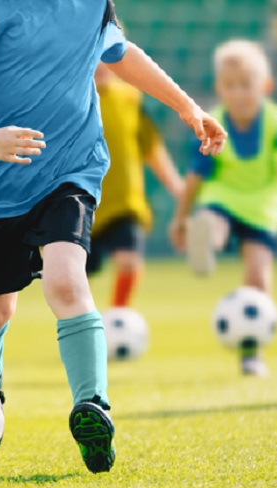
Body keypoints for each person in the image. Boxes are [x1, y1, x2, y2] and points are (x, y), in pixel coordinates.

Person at [0, 0, 227, 473]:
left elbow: (121, 53)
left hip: (71, 172)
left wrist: (188, 108)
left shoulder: (93, 6)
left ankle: (93, 407)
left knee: (66, 281)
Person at [169, 40, 277, 377]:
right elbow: (194, 178)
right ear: (220, 89)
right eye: (230, 86)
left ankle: (252, 352)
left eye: (245, 85)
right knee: (213, 222)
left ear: (265, 86)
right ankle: (206, 242)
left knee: (258, 278)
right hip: (223, 198)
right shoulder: (213, 123)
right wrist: (182, 219)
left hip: (263, 208)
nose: (238, 94)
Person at [88, 64, 184, 308]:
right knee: (77, 273)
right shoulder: (71, 99)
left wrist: (177, 187)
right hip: (84, 204)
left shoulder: (131, 98)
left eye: (108, 56)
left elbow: (151, 147)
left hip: (125, 203)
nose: (100, 64)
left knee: (129, 260)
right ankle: (82, 321)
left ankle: (119, 316)